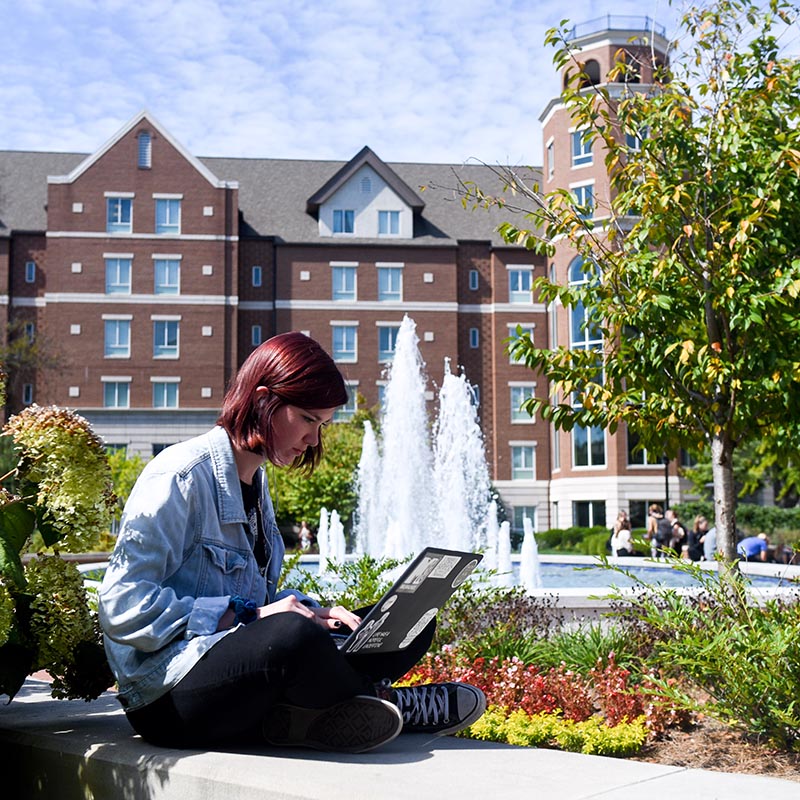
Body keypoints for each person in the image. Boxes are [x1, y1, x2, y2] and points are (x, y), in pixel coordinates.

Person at [98, 331, 485, 754]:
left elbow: (255, 600)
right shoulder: (180, 477)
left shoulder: (255, 483)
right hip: (168, 696)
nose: (314, 440)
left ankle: (307, 714)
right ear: (264, 400)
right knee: (291, 636)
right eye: (307, 419)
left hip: (233, 678)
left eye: (322, 425)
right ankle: (389, 702)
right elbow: (122, 607)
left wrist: (316, 611)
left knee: (406, 623)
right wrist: (256, 614)